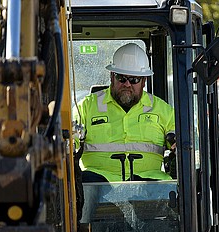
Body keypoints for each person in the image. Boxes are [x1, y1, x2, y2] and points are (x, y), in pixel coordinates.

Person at [74, 43, 176, 183]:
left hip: (150, 188)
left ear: (144, 81)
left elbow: (181, 141)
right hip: (98, 186)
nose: (127, 84)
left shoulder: (164, 110)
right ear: (111, 77)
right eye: (121, 78)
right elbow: (68, 140)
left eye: (134, 79)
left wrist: (176, 144)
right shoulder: (85, 108)